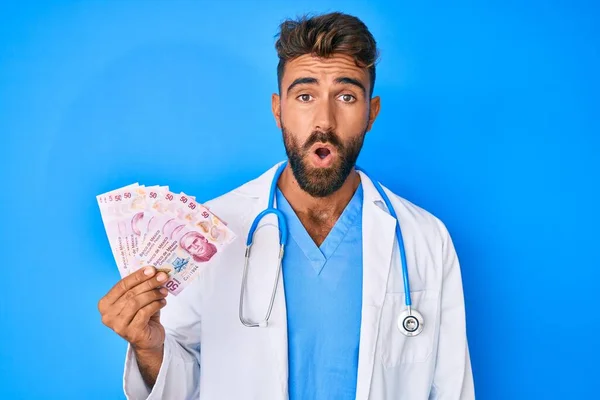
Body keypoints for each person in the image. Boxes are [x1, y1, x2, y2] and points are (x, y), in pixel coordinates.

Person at [97, 11, 475, 399]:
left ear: (371, 113)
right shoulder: (212, 231)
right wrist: (148, 346)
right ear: (278, 109)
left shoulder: (424, 239)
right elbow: (182, 382)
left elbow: (452, 388)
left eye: (346, 96)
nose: (324, 120)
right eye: (305, 95)